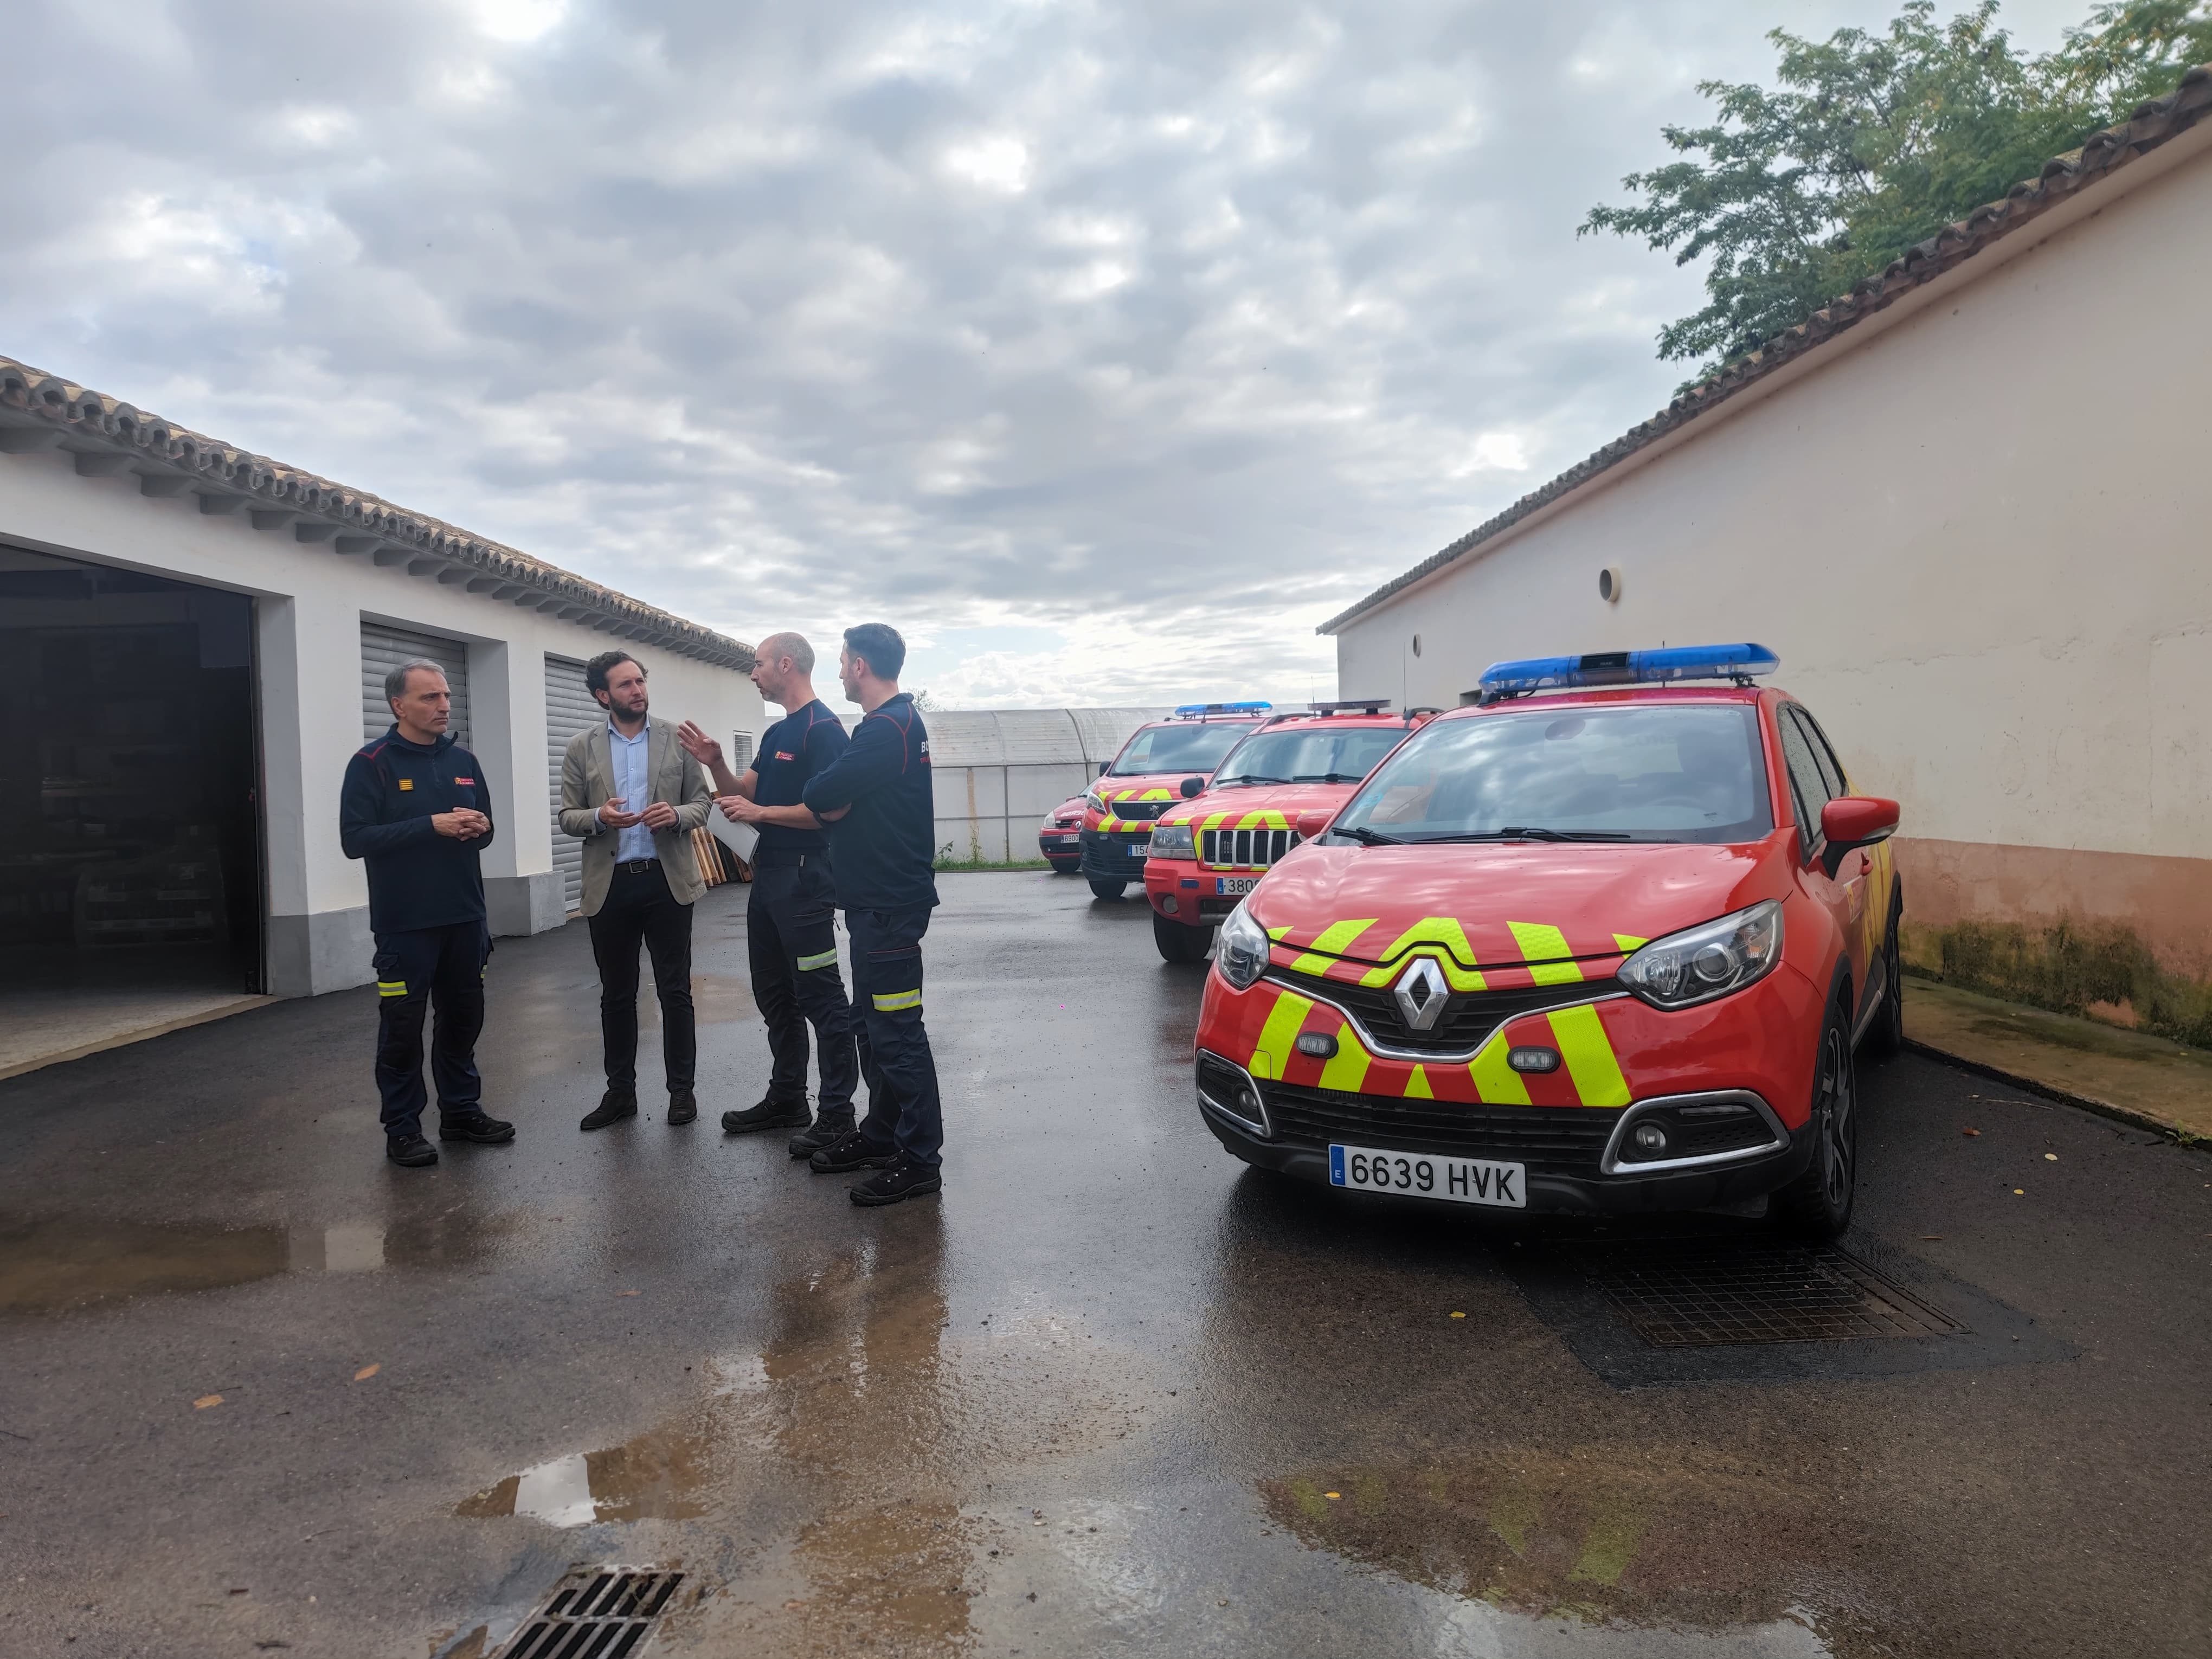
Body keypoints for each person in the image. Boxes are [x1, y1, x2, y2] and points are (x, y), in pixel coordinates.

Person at [727, 622, 942, 1206]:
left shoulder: (886, 729)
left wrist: (822, 787)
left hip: (890, 906)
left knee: (897, 1034)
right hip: (874, 904)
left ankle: (921, 1161)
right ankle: (879, 1134)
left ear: (862, 667)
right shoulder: (887, 726)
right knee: (871, 1028)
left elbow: (823, 794)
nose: (841, 671)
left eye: (846, 662)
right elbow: (829, 793)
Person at [675, 632, 860, 1155]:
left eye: (757, 665)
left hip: (806, 879)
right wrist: (715, 762)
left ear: (786, 665)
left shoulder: (823, 730)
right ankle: (787, 1099)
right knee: (774, 995)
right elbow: (741, 796)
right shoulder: (778, 731)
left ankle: (838, 1115)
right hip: (769, 879)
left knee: (822, 999)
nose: (752, 674)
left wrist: (761, 816)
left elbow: (837, 810)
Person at [339, 658, 512, 1168]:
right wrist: (429, 826)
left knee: (462, 1020)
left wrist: (479, 825)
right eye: (429, 698)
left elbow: (490, 832)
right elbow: (355, 840)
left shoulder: (464, 762)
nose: (443, 705)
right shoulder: (372, 763)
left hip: (464, 917)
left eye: (445, 696)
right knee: (402, 1028)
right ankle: (403, 1128)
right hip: (405, 924)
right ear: (398, 705)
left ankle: (460, 1112)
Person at [557, 651, 714, 1131]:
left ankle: (681, 1093)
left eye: (640, 681)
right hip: (611, 885)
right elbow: (567, 817)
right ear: (603, 695)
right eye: (625, 685)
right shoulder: (581, 748)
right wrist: (601, 817)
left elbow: (702, 802)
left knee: (675, 992)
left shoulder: (676, 740)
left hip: (666, 880)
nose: (638, 691)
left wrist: (678, 816)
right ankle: (620, 1093)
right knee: (616, 995)